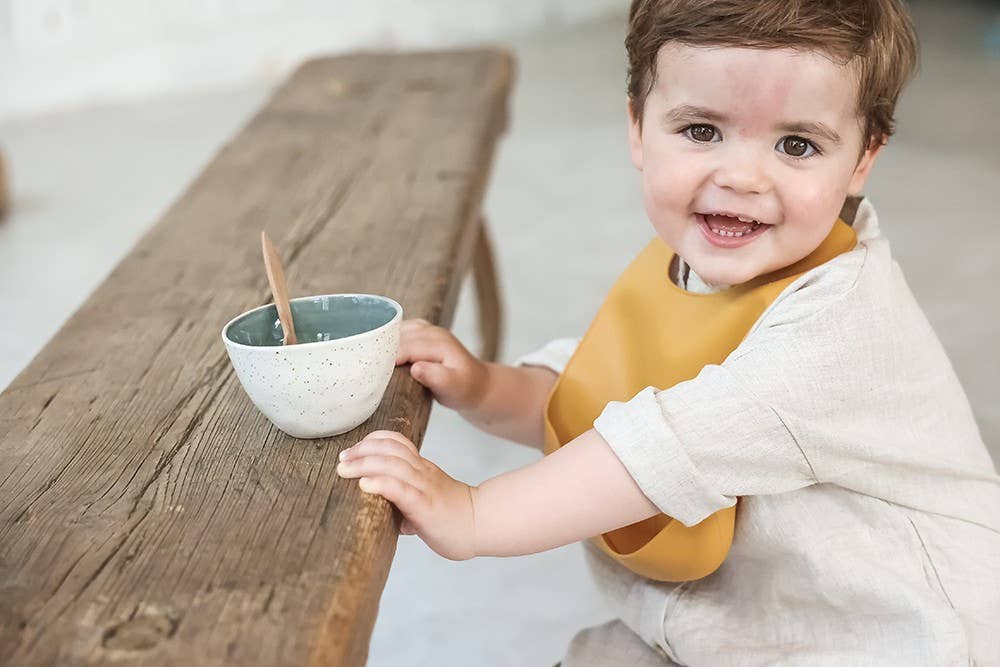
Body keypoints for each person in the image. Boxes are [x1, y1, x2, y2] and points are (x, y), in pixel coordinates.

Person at [337, 0, 1000, 663]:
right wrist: (486, 387)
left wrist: (474, 514)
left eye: (796, 144)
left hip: (886, 635)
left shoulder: (837, 333)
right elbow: (611, 387)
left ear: (861, 159)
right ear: (637, 125)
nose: (741, 177)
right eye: (703, 130)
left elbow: (656, 451)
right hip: (736, 614)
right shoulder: (700, 257)